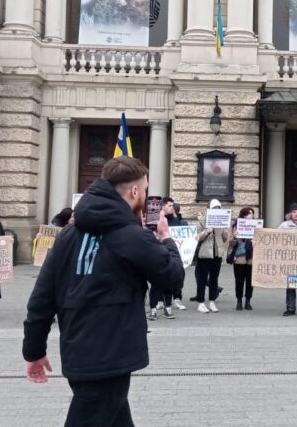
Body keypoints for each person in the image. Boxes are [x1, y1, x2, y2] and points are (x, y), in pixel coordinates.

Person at [22, 156, 184, 426]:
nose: (144, 195)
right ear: (134, 192)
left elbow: (41, 299)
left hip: (78, 350)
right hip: (112, 354)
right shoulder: (131, 236)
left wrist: (33, 350)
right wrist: (166, 239)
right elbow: (172, 278)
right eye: (144, 190)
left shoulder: (67, 235)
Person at [194, 199, 229, 314]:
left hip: (217, 253)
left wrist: (225, 232)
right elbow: (197, 237)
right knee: (202, 279)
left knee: (214, 279)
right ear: (209, 209)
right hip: (205, 254)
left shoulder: (222, 221)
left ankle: (212, 301)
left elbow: (224, 239)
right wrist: (207, 231)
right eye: (215, 208)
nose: (217, 210)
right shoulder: (202, 221)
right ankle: (201, 302)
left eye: (219, 208)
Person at [229, 207, 256, 312]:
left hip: (251, 258)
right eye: (249, 213)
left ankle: (248, 301)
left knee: (250, 281)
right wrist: (235, 237)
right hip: (239, 257)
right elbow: (230, 243)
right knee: (239, 281)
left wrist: (255, 241)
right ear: (244, 215)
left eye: (252, 213)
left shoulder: (256, 225)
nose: (251, 215)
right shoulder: (236, 225)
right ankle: (239, 301)